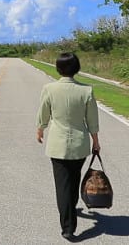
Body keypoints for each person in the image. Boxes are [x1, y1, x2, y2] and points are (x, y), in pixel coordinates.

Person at [36, 52, 100, 241]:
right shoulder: (86, 90)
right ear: (77, 68)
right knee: (73, 182)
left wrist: (40, 129)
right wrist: (96, 141)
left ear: (58, 68)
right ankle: (71, 213)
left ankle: (68, 227)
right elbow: (92, 121)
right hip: (80, 145)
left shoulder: (49, 89)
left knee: (63, 186)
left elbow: (43, 113)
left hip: (57, 144)